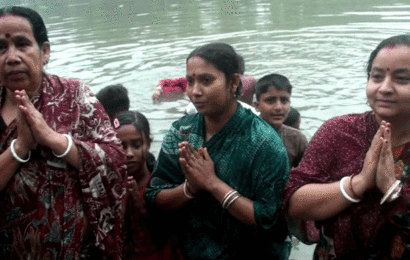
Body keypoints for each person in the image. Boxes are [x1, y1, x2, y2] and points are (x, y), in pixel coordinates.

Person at [0, 6, 127, 259]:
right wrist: (20, 148)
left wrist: (55, 140)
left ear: (44, 51)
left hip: (77, 251)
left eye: (22, 44)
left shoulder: (75, 97)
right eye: (1, 48)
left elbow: (116, 160)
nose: (11, 57)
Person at [145, 42, 291, 259]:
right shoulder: (181, 132)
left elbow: (271, 220)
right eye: (190, 81)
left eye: (206, 80)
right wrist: (190, 188)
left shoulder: (263, 142)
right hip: (193, 251)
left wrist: (212, 184)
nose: (194, 91)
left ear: (233, 82)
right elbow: (154, 197)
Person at [283, 34, 410, 259]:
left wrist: (392, 190)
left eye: (402, 79)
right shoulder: (338, 132)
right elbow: (293, 201)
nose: (384, 88)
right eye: (377, 76)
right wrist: (358, 183)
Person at [113, 111, 182, 259]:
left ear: (148, 144)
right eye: (121, 146)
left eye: (137, 145)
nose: (129, 153)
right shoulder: (109, 186)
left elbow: (172, 233)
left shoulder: (162, 185)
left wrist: (143, 212)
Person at [151, 54, 256, 106]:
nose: (196, 90)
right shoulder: (251, 80)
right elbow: (164, 82)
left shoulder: (220, 83)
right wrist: (158, 89)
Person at [254, 73, 308, 168]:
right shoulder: (241, 135)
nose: (278, 107)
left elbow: (305, 174)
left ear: (289, 104)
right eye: (270, 101)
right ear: (257, 105)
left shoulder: (297, 139)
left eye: (284, 100)